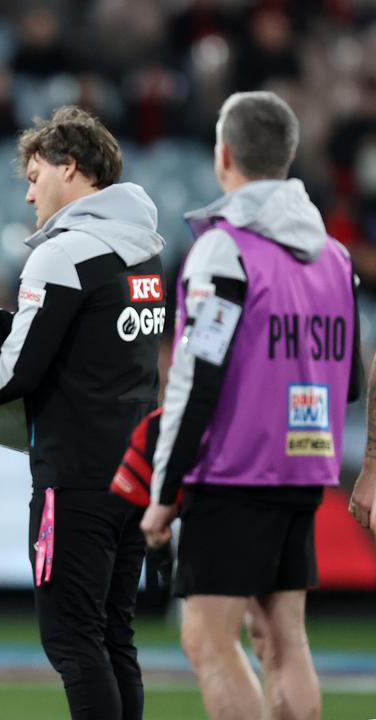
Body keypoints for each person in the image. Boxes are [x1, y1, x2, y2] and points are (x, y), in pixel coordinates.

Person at [0, 106, 165, 720]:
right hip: (134, 471)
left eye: (35, 176)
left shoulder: (63, 253)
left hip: (76, 476)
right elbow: (68, 336)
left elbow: (25, 367)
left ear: (71, 168)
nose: (29, 192)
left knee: (72, 638)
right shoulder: (143, 252)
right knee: (114, 636)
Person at [140, 91, 362, 720]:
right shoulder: (335, 258)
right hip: (304, 465)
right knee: (282, 638)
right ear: (288, 155)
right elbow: (348, 382)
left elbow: (195, 377)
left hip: (234, 470)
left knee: (207, 639)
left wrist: (164, 489)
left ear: (224, 155)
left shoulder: (223, 249)